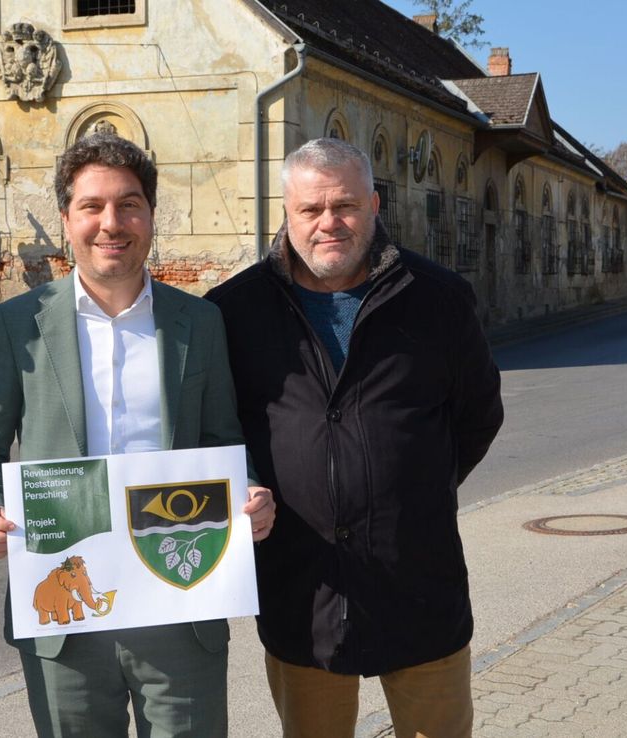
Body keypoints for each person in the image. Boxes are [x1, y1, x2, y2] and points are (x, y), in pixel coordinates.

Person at [0, 132, 276, 738]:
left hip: (179, 602)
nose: (111, 223)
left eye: (129, 204)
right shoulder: (18, 324)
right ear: (66, 219)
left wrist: (250, 491)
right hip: (65, 611)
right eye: (92, 206)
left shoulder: (199, 321)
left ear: (151, 216)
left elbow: (221, 438)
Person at [206, 138, 505, 738]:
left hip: (418, 582)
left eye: (344, 205)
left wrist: (415, 492)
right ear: (287, 214)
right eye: (310, 209)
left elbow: (478, 416)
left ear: (373, 204)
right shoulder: (235, 311)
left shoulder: (438, 298)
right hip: (301, 588)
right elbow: (220, 431)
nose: (328, 223)